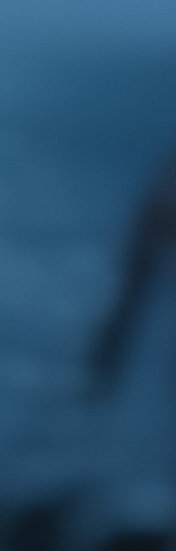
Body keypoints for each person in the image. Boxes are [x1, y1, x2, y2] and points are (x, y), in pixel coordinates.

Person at [87, 150, 176, 396]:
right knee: (128, 303)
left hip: (159, 206)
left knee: (129, 303)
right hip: (160, 209)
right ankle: (96, 376)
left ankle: (97, 376)